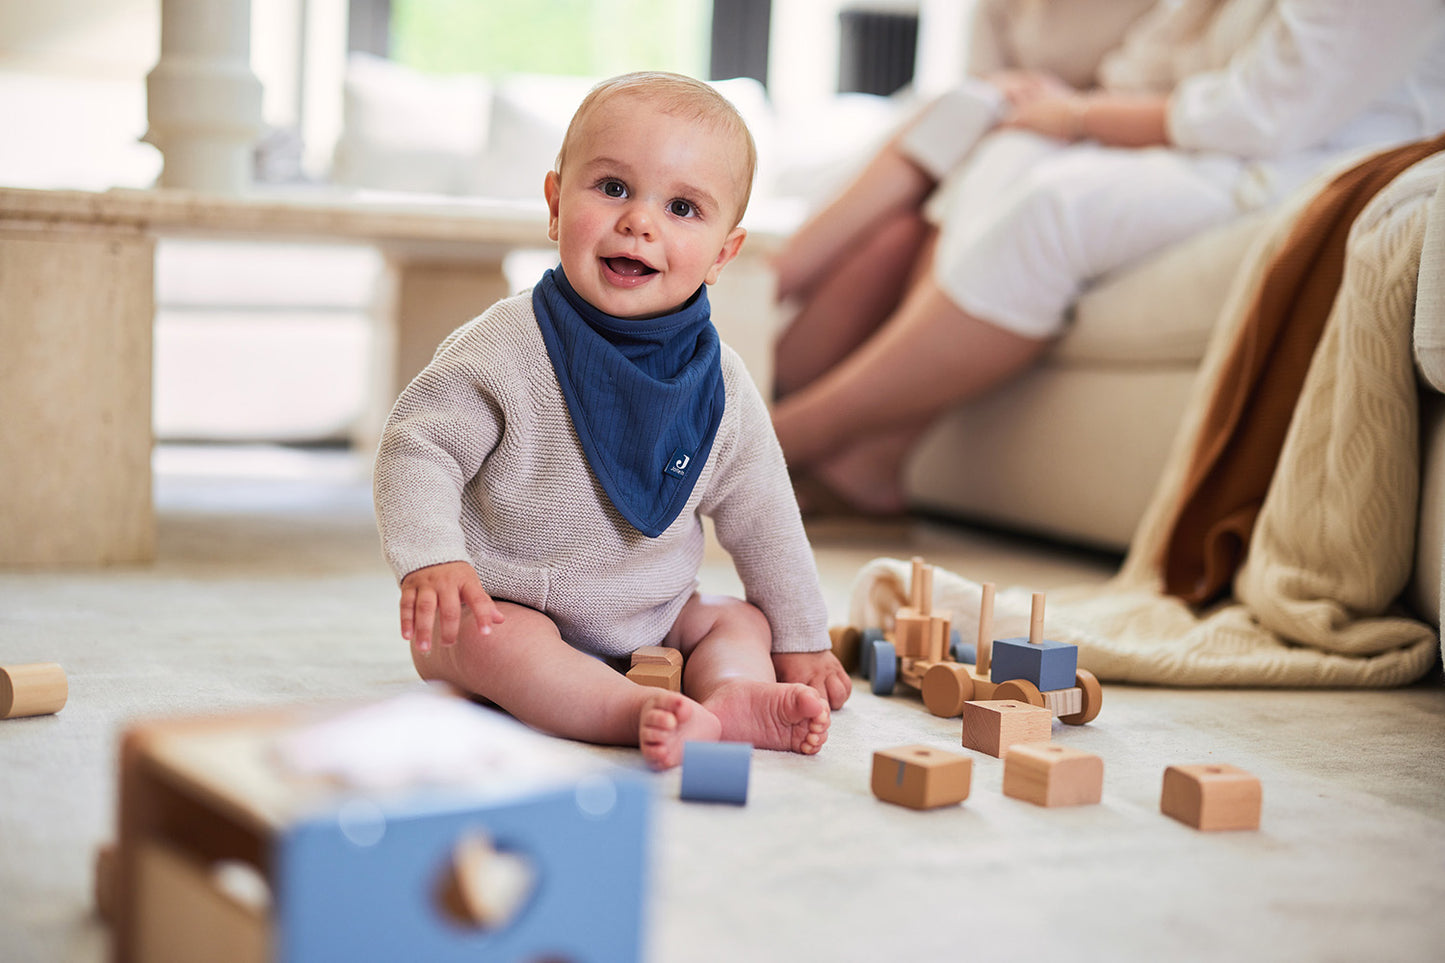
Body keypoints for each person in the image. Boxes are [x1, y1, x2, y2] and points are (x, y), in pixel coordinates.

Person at [771, 0, 1445, 517]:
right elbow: (1155, 59)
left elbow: (1264, 115)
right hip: (1210, 142)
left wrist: (1080, 116)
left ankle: (781, 438)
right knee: (1002, 151)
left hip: (1299, 163)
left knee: (1047, 210)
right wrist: (1061, 104)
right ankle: (869, 454)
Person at [373, 72, 851, 771]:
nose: (640, 222)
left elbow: (765, 515)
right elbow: (418, 448)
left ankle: (733, 694)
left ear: (723, 253)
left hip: (653, 616)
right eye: (613, 188)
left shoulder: (719, 385)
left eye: (683, 207)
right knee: (479, 640)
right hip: (514, 604)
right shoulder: (506, 345)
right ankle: (634, 712)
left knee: (736, 619)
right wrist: (434, 559)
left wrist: (802, 638)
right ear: (554, 202)